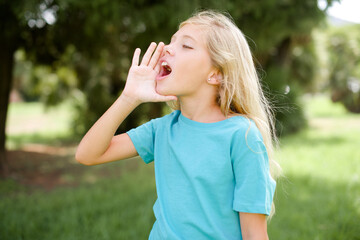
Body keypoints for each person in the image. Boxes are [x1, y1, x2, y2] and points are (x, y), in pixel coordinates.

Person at [76, 9, 280, 240]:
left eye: (186, 46)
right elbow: (88, 154)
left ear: (215, 74)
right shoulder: (162, 129)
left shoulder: (242, 135)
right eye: (172, 41)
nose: (167, 48)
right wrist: (129, 97)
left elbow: (255, 235)